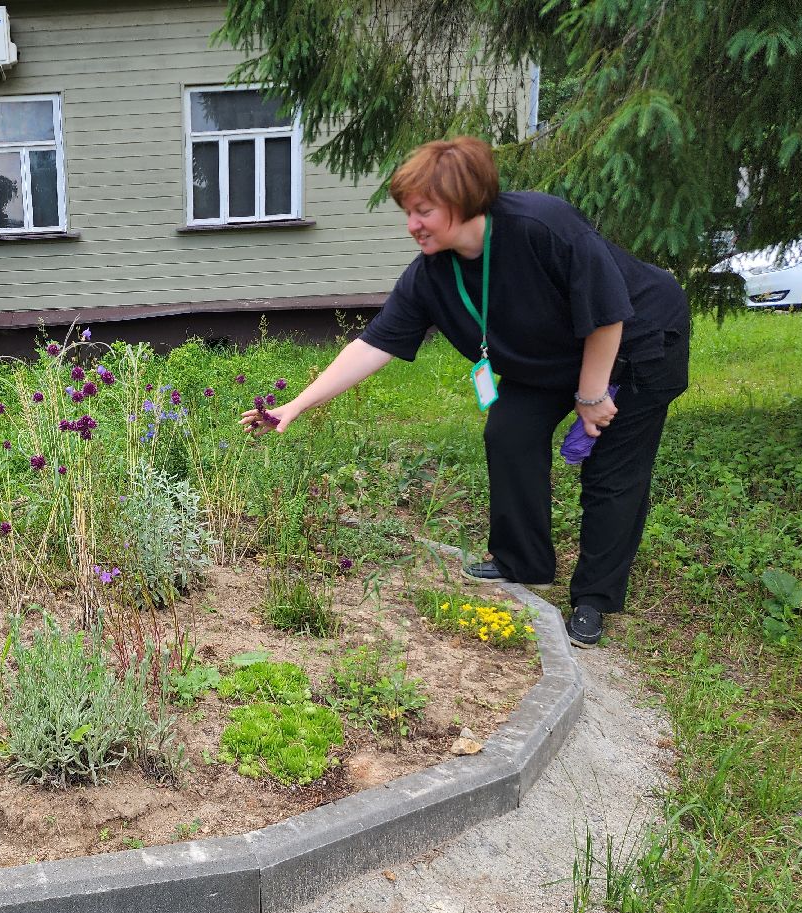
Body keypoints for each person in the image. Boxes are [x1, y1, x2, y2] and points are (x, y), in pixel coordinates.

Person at [243, 136, 689, 647]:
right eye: (407, 212)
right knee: (510, 432)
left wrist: (590, 397)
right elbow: (373, 345)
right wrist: (294, 405)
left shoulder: (543, 225)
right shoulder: (432, 274)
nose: (411, 225)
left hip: (637, 337)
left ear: (463, 201)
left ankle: (594, 599)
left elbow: (608, 311)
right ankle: (525, 560)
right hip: (549, 357)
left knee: (612, 474)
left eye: (423, 211)